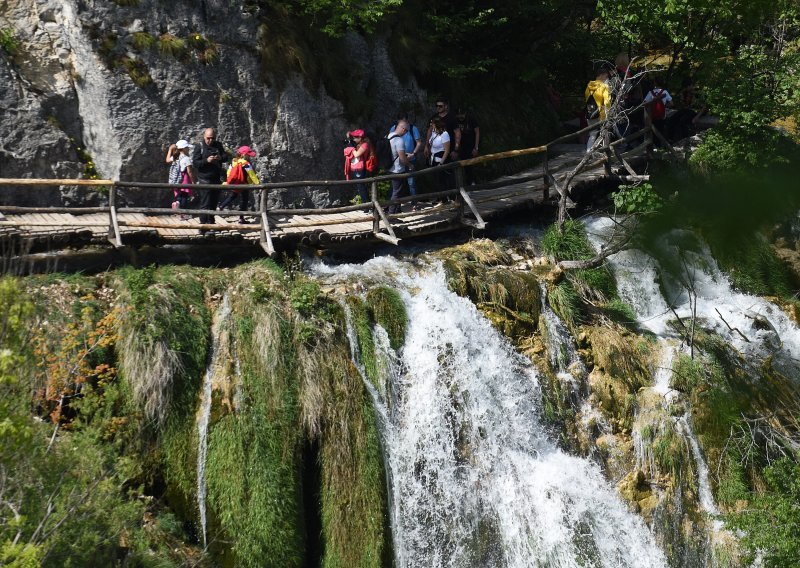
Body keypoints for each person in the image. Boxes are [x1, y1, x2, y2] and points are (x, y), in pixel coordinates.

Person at [191, 127, 230, 233]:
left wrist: (219, 158)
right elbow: (195, 163)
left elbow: (226, 157)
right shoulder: (199, 146)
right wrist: (207, 160)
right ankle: (203, 227)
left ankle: (211, 224)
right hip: (204, 179)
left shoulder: (218, 145)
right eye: (208, 138)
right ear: (204, 137)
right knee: (205, 203)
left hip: (216, 179)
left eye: (212, 138)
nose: (210, 140)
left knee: (213, 203)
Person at [389, 113, 423, 208]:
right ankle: (394, 207)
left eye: (404, 121)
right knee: (395, 186)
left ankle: (414, 204)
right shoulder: (393, 129)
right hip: (398, 161)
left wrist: (414, 153)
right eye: (400, 121)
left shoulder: (413, 128)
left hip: (410, 159)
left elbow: (419, 142)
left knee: (411, 182)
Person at [219, 145, 259, 224]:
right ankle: (241, 218)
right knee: (244, 201)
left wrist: (229, 181)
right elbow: (252, 174)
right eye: (248, 155)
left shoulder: (234, 162)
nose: (249, 157)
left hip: (236, 183)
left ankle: (221, 206)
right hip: (244, 185)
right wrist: (258, 184)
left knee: (232, 196)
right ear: (244, 155)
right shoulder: (246, 163)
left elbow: (229, 172)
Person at [424, 99, 460, 168]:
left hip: (449, 149)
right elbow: (429, 131)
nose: (438, 107)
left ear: (446, 106)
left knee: (448, 172)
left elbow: (457, 134)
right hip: (435, 151)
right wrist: (426, 146)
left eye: (440, 106)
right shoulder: (433, 118)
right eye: (436, 106)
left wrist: (456, 150)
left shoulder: (452, 118)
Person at [584, 67, 612, 152]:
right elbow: (607, 102)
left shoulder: (589, 86)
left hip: (590, 113)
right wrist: (609, 113)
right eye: (606, 76)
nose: (607, 78)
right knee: (604, 134)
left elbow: (587, 99)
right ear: (601, 75)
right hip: (601, 114)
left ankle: (588, 152)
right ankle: (605, 154)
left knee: (592, 134)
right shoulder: (604, 86)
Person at [387, 121, 410, 215]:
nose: (406, 132)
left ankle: (390, 209)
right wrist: (410, 164)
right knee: (396, 192)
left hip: (389, 168)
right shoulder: (399, 140)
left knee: (392, 190)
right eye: (406, 130)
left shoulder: (388, 136)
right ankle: (392, 214)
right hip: (397, 169)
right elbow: (402, 159)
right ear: (403, 129)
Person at [345, 129, 373, 204]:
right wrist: (349, 138)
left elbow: (357, 154)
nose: (353, 139)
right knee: (360, 187)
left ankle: (368, 205)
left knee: (361, 187)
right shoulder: (360, 144)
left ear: (360, 138)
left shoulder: (365, 145)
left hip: (360, 168)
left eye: (354, 137)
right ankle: (366, 205)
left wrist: (351, 147)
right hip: (357, 168)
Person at [644, 78, 673, 144]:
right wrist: (664, 105)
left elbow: (644, 103)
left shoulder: (650, 93)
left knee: (653, 131)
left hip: (653, 115)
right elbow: (672, 104)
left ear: (655, 83)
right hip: (662, 115)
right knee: (661, 130)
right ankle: (661, 145)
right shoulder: (664, 92)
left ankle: (654, 146)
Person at [455, 108, 480, 185]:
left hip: (471, 146)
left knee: (471, 165)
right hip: (461, 147)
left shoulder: (471, 119)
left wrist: (476, 147)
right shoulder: (455, 121)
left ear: (465, 113)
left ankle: (473, 182)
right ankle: (468, 183)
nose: (460, 116)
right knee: (464, 167)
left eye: (462, 114)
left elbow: (477, 132)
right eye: (459, 114)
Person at [172, 140, 195, 219]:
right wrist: (193, 182)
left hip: (177, 179)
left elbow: (167, 160)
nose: (188, 149)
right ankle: (183, 214)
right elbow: (189, 171)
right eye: (187, 148)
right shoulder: (186, 159)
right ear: (184, 148)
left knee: (179, 195)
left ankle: (177, 204)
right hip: (184, 178)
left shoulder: (175, 157)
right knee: (184, 196)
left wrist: (170, 150)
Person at [427, 117, 451, 192]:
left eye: (432, 123)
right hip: (433, 159)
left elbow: (447, 150)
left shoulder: (444, 134)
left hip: (440, 159)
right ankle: (440, 198)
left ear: (436, 124)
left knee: (442, 179)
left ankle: (446, 199)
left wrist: (441, 163)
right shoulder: (434, 133)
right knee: (436, 180)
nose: (431, 125)